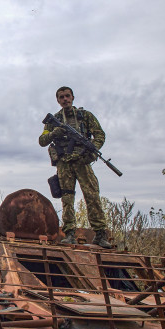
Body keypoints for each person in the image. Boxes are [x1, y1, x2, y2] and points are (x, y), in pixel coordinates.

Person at [39, 86, 113, 248]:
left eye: (67, 96)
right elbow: (42, 141)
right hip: (64, 162)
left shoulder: (85, 116)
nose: (65, 99)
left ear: (72, 97)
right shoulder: (55, 119)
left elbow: (99, 135)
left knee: (92, 196)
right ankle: (69, 233)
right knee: (67, 198)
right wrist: (54, 133)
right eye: (61, 97)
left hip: (82, 161)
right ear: (58, 100)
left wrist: (92, 151)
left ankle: (100, 234)